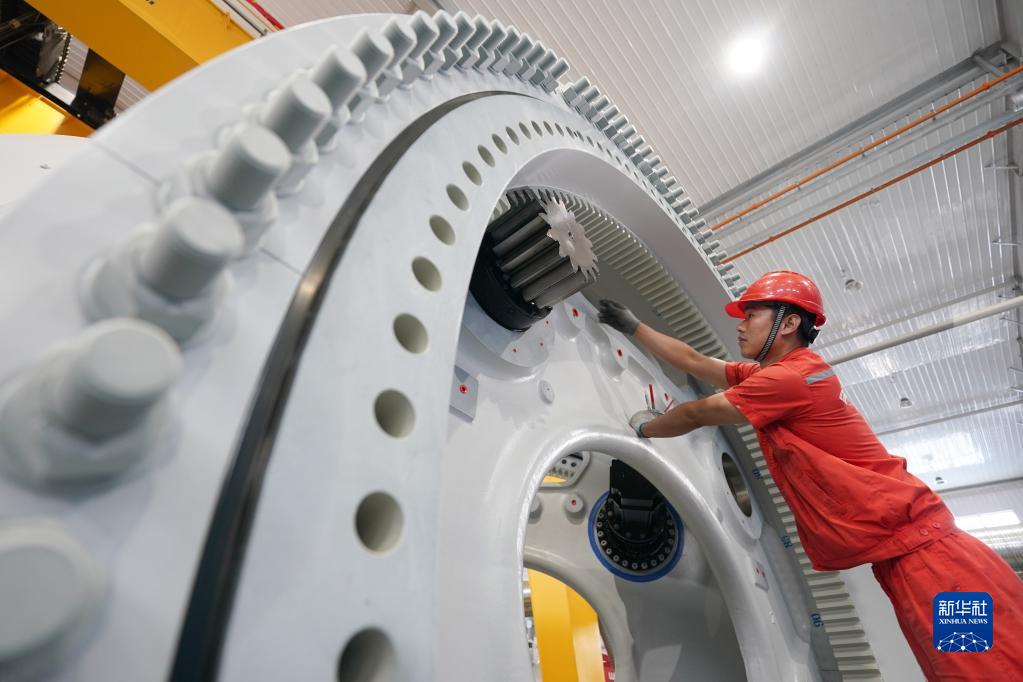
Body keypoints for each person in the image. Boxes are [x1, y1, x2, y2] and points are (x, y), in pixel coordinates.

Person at [598, 270, 1023, 680]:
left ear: (789, 323)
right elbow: (695, 362)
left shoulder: (791, 380)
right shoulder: (776, 374)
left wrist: (643, 429)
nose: (741, 327)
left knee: (980, 670)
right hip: (917, 558)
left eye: (751, 316)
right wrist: (634, 326)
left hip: (937, 564)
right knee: (954, 667)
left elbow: (698, 413)